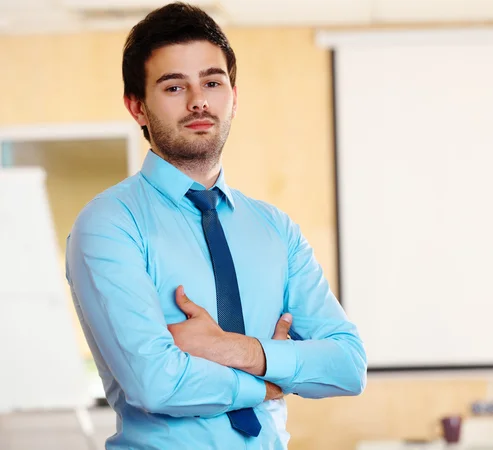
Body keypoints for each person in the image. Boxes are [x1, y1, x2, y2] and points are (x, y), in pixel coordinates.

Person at [65, 2, 367, 449]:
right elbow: (156, 383)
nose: (198, 101)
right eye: (173, 87)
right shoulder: (109, 224)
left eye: (212, 81)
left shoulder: (274, 228)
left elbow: (347, 366)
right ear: (137, 107)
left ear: (234, 96)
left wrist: (233, 349)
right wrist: (270, 379)